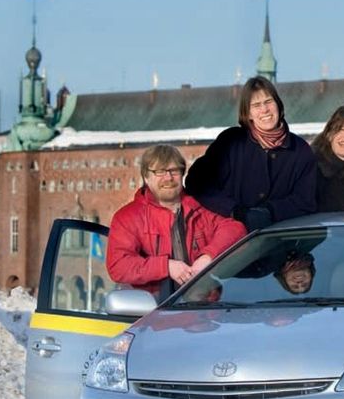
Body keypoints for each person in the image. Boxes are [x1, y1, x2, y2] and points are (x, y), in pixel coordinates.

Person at [106, 144, 246, 300]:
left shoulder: (200, 208)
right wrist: (166, 266)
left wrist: (207, 257)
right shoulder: (128, 217)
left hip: (205, 307)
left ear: (182, 174)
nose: (168, 178)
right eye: (159, 172)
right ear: (146, 177)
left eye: (174, 170)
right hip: (154, 310)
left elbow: (235, 229)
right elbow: (119, 266)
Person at [185, 76, 317, 232]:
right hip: (230, 240)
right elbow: (197, 183)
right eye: (256, 105)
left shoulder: (300, 150)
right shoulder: (231, 142)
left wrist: (270, 211)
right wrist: (234, 210)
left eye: (269, 102)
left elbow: (305, 200)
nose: (265, 110)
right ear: (248, 114)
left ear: (278, 106)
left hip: (278, 240)